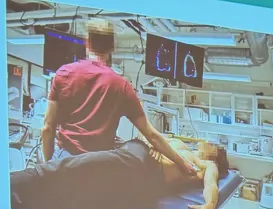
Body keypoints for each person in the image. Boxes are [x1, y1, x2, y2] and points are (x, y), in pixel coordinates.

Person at [41, 19, 195, 177]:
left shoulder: (63, 73)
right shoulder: (121, 86)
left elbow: (48, 127)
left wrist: (47, 165)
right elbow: (152, 135)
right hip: (98, 167)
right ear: (112, 47)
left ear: (87, 43)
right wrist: (182, 163)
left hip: (65, 161)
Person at [10, 137, 229, 209]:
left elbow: (211, 184)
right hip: (133, 154)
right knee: (75, 182)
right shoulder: (184, 147)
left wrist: (209, 205)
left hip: (140, 166)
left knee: (68, 171)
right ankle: (19, 201)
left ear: (215, 154)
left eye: (213, 145)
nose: (208, 142)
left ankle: (10, 186)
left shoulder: (207, 165)